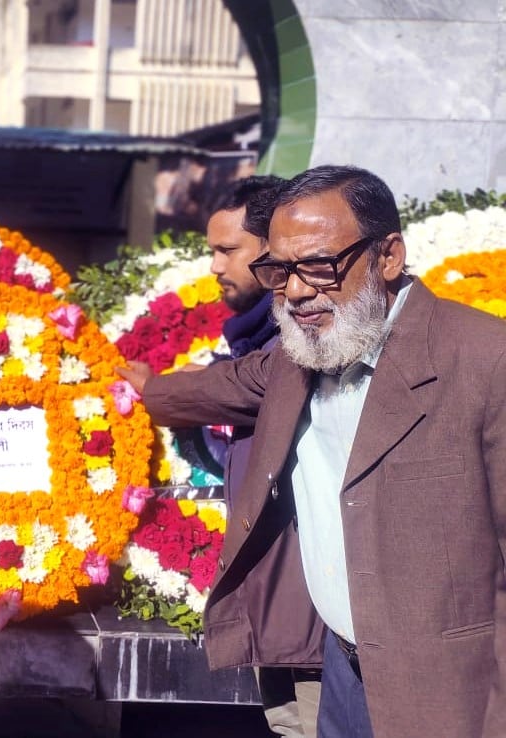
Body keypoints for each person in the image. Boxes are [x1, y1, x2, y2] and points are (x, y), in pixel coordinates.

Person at [118, 165, 506, 737]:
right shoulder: (296, 357)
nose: (296, 291)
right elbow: (222, 386)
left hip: (449, 693)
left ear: (389, 256)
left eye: (319, 266)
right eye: (278, 270)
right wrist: (145, 388)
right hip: (338, 676)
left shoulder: (483, 359)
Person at [205, 175, 322, 737]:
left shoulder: (309, 344)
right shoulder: (252, 343)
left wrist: (164, 393)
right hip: (278, 620)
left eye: (227, 250)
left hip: (318, 628)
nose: (213, 266)